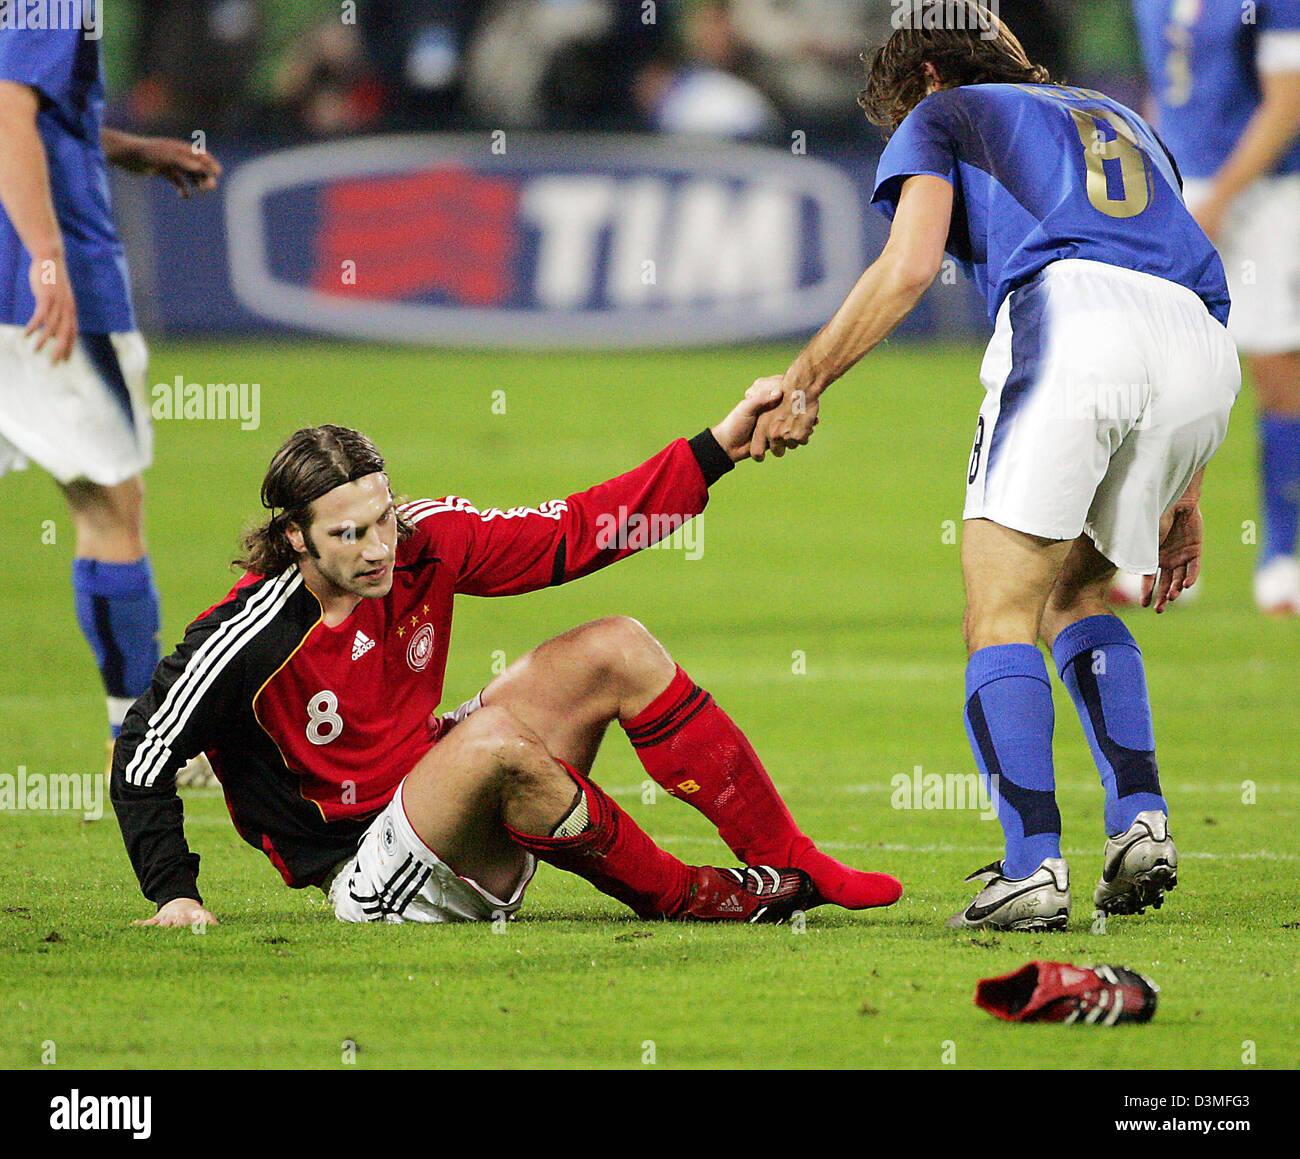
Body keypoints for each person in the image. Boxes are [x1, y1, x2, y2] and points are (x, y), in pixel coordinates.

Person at [749, 1, 1241, 930]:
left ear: (927, 79)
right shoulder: (1121, 116)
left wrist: (805, 380)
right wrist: (1189, 488)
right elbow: (1190, 270)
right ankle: (1141, 819)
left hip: (1074, 322)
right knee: (1077, 595)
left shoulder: (948, 110)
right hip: (1199, 349)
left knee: (1000, 609)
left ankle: (1033, 868)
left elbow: (906, 265)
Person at [110, 391, 903, 928]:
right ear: (295, 537)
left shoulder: (424, 542)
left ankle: (789, 862)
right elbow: (139, 754)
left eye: (383, 518)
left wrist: (717, 447)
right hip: (371, 879)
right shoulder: (247, 636)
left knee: (615, 644)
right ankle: (694, 898)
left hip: (449, 811)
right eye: (350, 534)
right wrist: (174, 892)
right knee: (487, 743)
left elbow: (573, 530)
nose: (381, 546)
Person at [0, 12, 222, 761]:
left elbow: (40, 112)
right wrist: (46, 258)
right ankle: (138, 743)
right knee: (111, 508)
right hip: (50, 297)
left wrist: (128, 150)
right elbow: (9, 109)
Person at [1131, 0, 1300, 614]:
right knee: (1152, 373)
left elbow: (1288, 100)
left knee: (1276, 371)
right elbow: (1160, 89)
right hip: (1179, 188)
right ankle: (1143, 551)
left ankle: (1280, 558)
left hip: (1267, 192)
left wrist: (1223, 194)